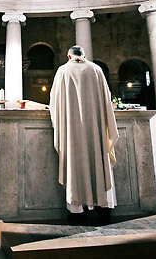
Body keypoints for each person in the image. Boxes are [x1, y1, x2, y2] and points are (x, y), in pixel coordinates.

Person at [50, 45, 118, 222]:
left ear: (68, 56)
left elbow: (55, 102)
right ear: (85, 55)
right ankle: (104, 206)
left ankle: (77, 209)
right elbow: (106, 99)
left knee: (75, 162)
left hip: (73, 130)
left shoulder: (63, 71)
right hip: (95, 127)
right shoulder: (96, 69)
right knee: (99, 158)